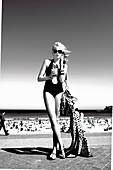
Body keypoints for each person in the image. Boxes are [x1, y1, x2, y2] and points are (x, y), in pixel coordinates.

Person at [38, 41, 71, 160]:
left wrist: (61, 69)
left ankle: (54, 149)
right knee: (53, 121)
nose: (57, 53)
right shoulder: (47, 62)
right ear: (52, 52)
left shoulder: (64, 65)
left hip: (59, 91)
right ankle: (61, 147)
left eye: (60, 51)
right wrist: (49, 77)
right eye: (55, 51)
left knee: (57, 120)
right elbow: (39, 78)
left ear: (62, 53)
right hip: (48, 90)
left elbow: (62, 81)